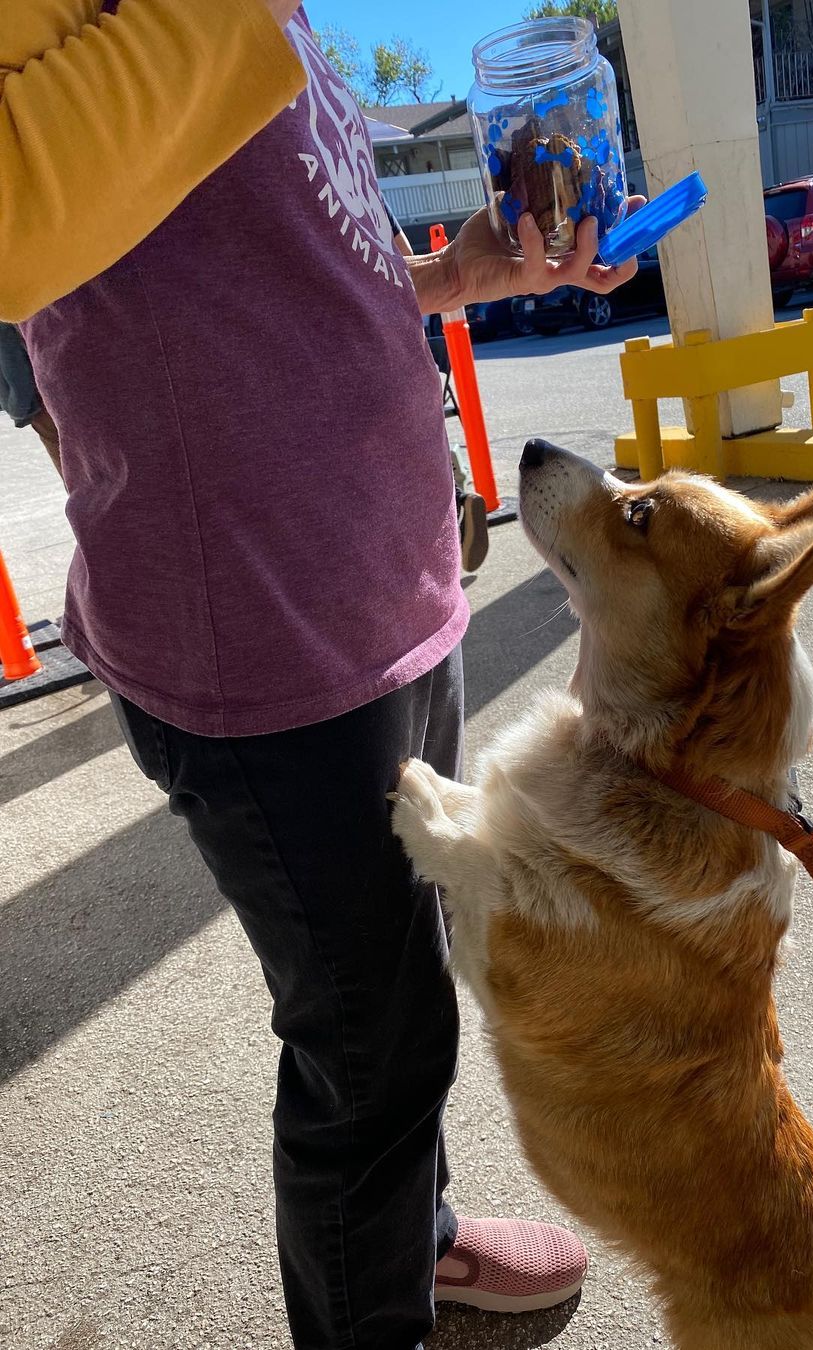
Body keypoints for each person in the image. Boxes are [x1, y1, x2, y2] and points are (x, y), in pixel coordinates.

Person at [0, 4, 643, 1348]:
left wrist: (447, 274)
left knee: (404, 996)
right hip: (260, 633)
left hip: (376, 593)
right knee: (370, 1051)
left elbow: (275, 268)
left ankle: (419, 1242)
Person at [383, 204, 490, 574]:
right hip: (402, 349)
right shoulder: (368, 193)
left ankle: (449, 513)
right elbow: (407, 261)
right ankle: (456, 500)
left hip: (358, 357)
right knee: (421, 442)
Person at [0, 322, 63, 480]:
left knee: (82, 479)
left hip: (42, 396)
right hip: (47, 391)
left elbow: (11, 357)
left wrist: (19, 408)